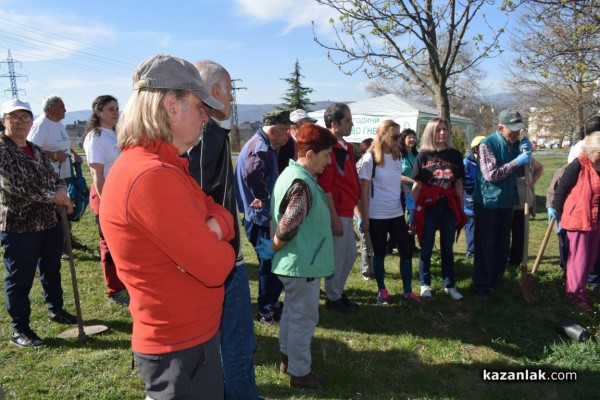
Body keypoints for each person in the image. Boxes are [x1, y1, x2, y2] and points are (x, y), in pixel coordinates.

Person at [99, 54, 235, 399]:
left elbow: (222, 214)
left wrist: (213, 227)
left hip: (185, 342)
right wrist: (215, 230)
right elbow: (218, 266)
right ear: (172, 106)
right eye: (199, 105)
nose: (206, 116)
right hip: (180, 349)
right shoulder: (152, 175)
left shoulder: (162, 165)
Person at [186, 60, 260, 399]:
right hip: (223, 260)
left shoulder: (206, 133)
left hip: (220, 256)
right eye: (229, 91)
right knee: (237, 341)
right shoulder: (206, 134)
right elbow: (199, 201)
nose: (231, 99)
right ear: (215, 91)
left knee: (229, 340)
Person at [260, 123, 337, 389]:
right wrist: (272, 247)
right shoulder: (301, 182)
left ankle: (288, 360)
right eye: (326, 155)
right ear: (311, 154)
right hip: (302, 264)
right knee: (304, 320)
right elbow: (288, 226)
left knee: (293, 315)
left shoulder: (291, 175)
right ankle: (300, 373)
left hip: (296, 263)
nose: (329, 162)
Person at [0, 99, 77, 348]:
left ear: (32, 121)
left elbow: (55, 177)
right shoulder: (2, 151)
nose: (21, 122)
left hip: (48, 222)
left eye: (25, 117)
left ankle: (56, 309)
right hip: (20, 227)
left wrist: (62, 190)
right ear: (4, 121)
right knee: (20, 278)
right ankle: (19, 328)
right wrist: (54, 197)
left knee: (51, 269)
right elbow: (16, 185)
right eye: (14, 117)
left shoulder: (35, 149)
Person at [235, 109, 291, 323]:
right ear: (273, 129)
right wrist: (264, 198)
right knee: (269, 263)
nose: (288, 135)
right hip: (260, 219)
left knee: (272, 262)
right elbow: (251, 172)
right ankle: (266, 309)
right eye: (285, 130)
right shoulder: (261, 148)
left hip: (260, 217)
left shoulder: (266, 145)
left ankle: (272, 301)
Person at [472, 109, 532, 296]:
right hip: (488, 202)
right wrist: (516, 162)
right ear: (500, 128)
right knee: (486, 244)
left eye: (519, 130)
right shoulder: (487, 144)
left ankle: (496, 279)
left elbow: (520, 174)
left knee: (502, 244)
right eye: (512, 130)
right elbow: (491, 175)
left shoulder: (515, 144)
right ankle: (481, 284)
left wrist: (526, 157)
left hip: (506, 201)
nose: (516, 133)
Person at [359, 120, 420, 305]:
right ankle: (382, 290)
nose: (398, 139)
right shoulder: (369, 159)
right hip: (377, 214)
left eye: (399, 136)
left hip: (396, 213)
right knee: (380, 253)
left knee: (407, 251)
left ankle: (407, 291)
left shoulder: (397, 155)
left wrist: (404, 187)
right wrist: (365, 218)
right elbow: (363, 191)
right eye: (395, 136)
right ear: (383, 135)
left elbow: (393, 177)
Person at [411, 118, 467, 300]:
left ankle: (449, 285)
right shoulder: (422, 157)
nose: (442, 133)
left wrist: (461, 207)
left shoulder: (455, 155)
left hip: (448, 207)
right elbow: (417, 186)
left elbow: (458, 183)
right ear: (430, 133)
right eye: (438, 130)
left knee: (447, 248)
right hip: (428, 208)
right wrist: (412, 212)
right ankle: (424, 284)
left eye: (445, 129)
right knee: (426, 247)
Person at [82, 95, 129, 306]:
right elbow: (96, 174)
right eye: (111, 109)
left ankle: (126, 282)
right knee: (109, 244)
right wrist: (107, 202)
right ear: (98, 112)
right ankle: (114, 289)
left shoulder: (116, 133)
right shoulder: (96, 137)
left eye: (117, 108)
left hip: (122, 194)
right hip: (105, 195)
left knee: (124, 241)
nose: (115, 112)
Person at [27, 95, 86, 251]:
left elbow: (64, 144)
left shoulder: (58, 123)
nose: (65, 110)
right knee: (56, 212)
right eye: (62, 107)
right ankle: (59, 246)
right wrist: (54, 155)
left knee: (67, 208)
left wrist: (73, 153)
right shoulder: (41, 126)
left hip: (65, 174)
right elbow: (32, 151)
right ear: (51, 108)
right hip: (50, 177)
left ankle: (68, 240)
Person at [317, 103, 360, 314]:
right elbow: (326, 187)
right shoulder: (326, 148)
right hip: (337, 211)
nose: (352, 124)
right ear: (334, 124)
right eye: (348, 120)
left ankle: (337, 292)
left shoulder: (347, 147)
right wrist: (334, 218)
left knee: (350, 254)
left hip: (347, 209)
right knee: (338, 256)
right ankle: (333, 297)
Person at [553, 132, 600, 311]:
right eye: (599, 153)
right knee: (578, 260)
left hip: (595, 219)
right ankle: (574, 296)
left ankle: (582, 292)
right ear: (591, 150)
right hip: (578, 219)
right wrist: (559, 216)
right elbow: (560, 191)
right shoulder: (578, 165)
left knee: (590, 258)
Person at [507, 148, 544, 267]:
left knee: (519, 235)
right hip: (507, 204)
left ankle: (515, 262)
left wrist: (531, 182)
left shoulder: (528, 160)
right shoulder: (506, 159)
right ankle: (502, 261)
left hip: (524, 204)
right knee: (504, 235)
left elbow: (540, 167)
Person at [463, 135, 486, 258]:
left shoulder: (488, 162)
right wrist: (481, 184)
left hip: (485, 200)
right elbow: (465, 182)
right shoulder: (466, 163)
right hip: (470, 200)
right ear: (475, 149)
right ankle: (471, 251)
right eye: (481, 147)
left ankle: (482, 250)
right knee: (471, 225)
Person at [355, 138, 374, 280]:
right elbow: (359, 191)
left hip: (373, 206)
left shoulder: (374, 164)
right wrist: (361, 214)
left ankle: (373, 269)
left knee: (372, 242)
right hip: (362, 207)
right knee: (365, 241)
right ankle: (366, 272)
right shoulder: (361, 164)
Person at [398, 128, 420, 253]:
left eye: (413, 137)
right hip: (401, 190)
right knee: (400, 218)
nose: (412, 139)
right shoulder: (398, 155)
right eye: (409, 137)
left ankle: (411, 244)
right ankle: (394, 243)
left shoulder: (418, 155)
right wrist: (410, 183)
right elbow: (396, 174)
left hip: (414, 192)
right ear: (403, 139)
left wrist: (416, 185)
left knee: (412, 217)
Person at [277, 109, 317, 173]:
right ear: (297, 126)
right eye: (307, 125)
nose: (310, 128)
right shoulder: (285, 145)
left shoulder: (303, 143)